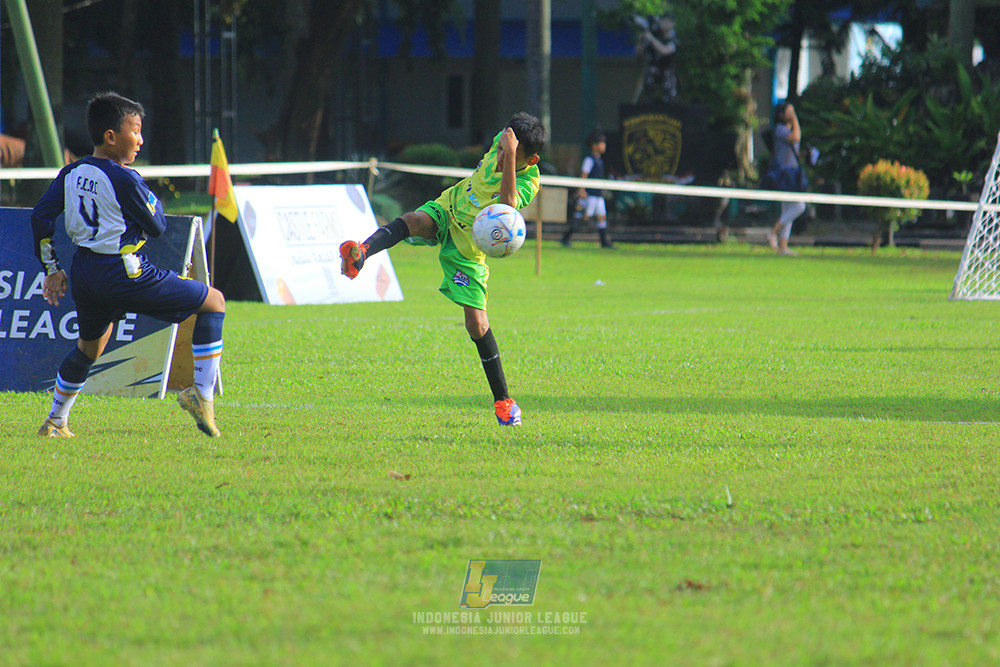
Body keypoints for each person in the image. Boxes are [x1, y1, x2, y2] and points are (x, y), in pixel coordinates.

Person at [31, 92, 227, 437]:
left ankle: (55, 421)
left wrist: (52, 270)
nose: (139, 140)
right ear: (111, 136)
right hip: (125, 270)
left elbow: (41, 217)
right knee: (214, 303)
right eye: (135, 131)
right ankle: (201, 394)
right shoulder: (124, 178)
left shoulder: (71, 172)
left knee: (90, 347)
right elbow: (157, 226)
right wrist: (143, 190)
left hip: (85, 272)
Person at [339, 112, 547, 426]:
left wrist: (512, 156)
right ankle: (362, 253)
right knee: (413, 221)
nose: (500, 157)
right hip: (448, 208)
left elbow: (505, 211)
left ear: (531, 159)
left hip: (468, 249)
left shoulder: (529, 180)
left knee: (476, 325)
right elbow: (505, 140)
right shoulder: (501, 144)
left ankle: (504, 401)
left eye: (509, 154)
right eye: (501, 149)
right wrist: (507, 146)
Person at [765, 102, 807, 256]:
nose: (792, 113)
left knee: (788, 209)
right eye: (789, 111)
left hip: (792, 173)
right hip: (785, 174)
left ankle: (783, 247)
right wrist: (795, 118)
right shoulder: (780, 129)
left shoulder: (786, 130)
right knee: (799, 206)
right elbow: (796, 137)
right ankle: (773, 232)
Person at [561, 130, 614, 249]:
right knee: (580, 217)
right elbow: (584, 175)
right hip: (589, 195)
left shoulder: (599, 160)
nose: (604, 146)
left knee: (602, 217)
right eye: (601, 143)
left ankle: (604, 242)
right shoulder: (589, 160)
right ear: (594, 145)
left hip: (598, 195)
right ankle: (566, 238)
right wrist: (582, 190)